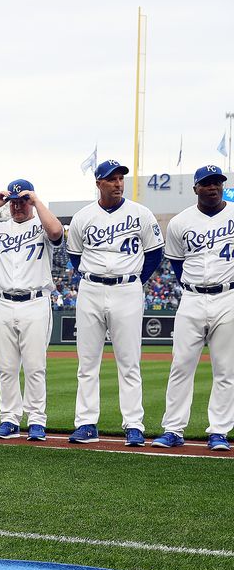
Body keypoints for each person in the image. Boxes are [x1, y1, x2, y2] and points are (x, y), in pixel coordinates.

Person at [65, 159, 164, 446]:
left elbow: (154, 254)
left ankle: (133, 424)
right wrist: (94, 276)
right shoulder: (84, 216)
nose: (118, 183)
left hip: (127, 290)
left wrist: (134, 280)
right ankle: (85, 423)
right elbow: (74, 256)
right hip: (91, 289)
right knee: (87, 362)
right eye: (111, 179)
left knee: (129, 361)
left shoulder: (141, 213)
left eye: (121, 178)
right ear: (99, 183)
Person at [0, 179, 63, 441]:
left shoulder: (41, 224)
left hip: (35, 301)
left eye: (22, 200)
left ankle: (36, 420)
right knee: (7, 367)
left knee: (35, 366)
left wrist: (36, 201)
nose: (17, 206)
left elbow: (56, 232)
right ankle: (9, 419)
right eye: (14, 201)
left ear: (30, 200)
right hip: (4, 303)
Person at [152, 166, 232, 451]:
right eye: (207, 184)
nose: (213, 188)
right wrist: (194, 286)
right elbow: (176, 263)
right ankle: (173, 429)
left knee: (226, 369)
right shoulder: (180, 222)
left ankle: (219, 431)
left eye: (217, 183)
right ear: (196, 188)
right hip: (192, 297)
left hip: (228, 296)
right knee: (181, 365)